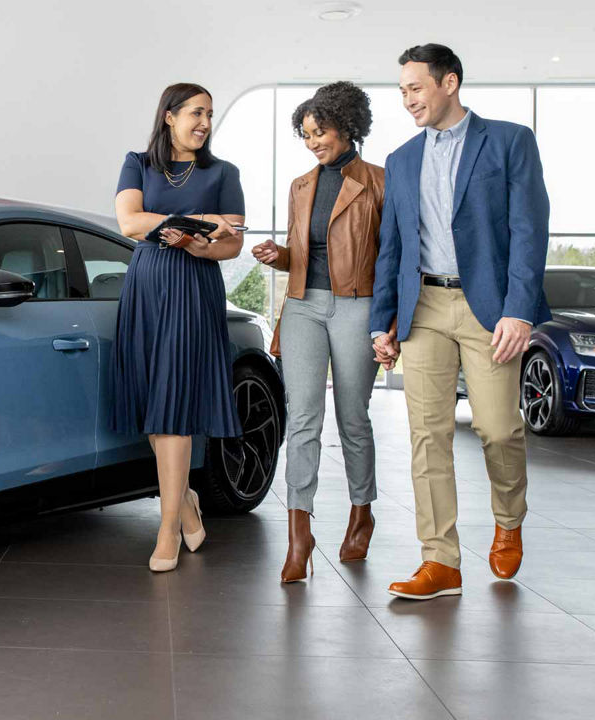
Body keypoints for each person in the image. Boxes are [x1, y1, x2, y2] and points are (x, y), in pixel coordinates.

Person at [370, 44, 551, 600]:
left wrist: (519, 310)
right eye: (402, 90)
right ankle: (440, 561)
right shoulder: (400, 160)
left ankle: (509, 516)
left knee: (498, 428)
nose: (408, 100)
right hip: (422, 308)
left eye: (416, 88)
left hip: (490, 309)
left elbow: (529, 228)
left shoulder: (509, 141)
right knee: (428, 436)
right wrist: (383, 321)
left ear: (450, 83)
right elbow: (391, 247)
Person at [250, 81, 385, 582]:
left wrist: (388, 322)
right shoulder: (301, 186)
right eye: (305, 135)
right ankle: (298, 533)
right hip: (304, 306)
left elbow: (390, 259)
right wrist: (277, 256)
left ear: (347, 124)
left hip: (358, 305)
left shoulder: (380, 182)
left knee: (353, 418)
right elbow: (303, 256)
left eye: (320, 131)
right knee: (303, 418)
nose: (313, 143)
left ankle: (361, 511)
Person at [111, 82, 245, 572]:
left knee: (173, 405)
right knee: (151, 400)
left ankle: (167, 527)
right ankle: (184, 499)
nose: (204, 122)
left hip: (193, 285)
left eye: (209, 114)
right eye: (195, 112)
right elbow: (128, 223)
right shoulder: (138, 163)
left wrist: (195, 240)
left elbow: (231, 244)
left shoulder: (223, 172)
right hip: (146, 286)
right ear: (168, 115)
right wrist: (202, 218)